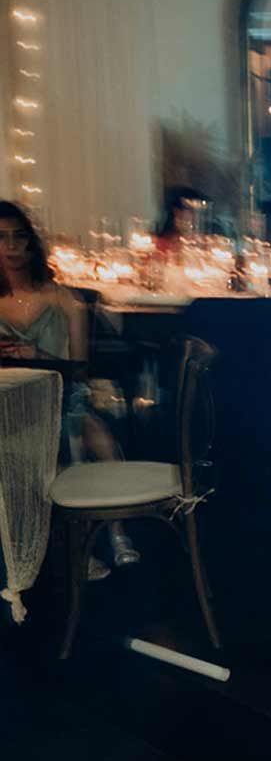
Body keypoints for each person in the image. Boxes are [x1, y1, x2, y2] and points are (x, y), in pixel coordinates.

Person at [0, 200, 137, 575]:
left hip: (60, 394)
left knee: (83, 431)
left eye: (19, 237)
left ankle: (113, 534)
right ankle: (45, 549)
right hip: (9, 403)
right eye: (2, 238)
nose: (11, 247)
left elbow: (79, 368)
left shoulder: (63, 299)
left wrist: (39, 354)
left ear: (31, 243)